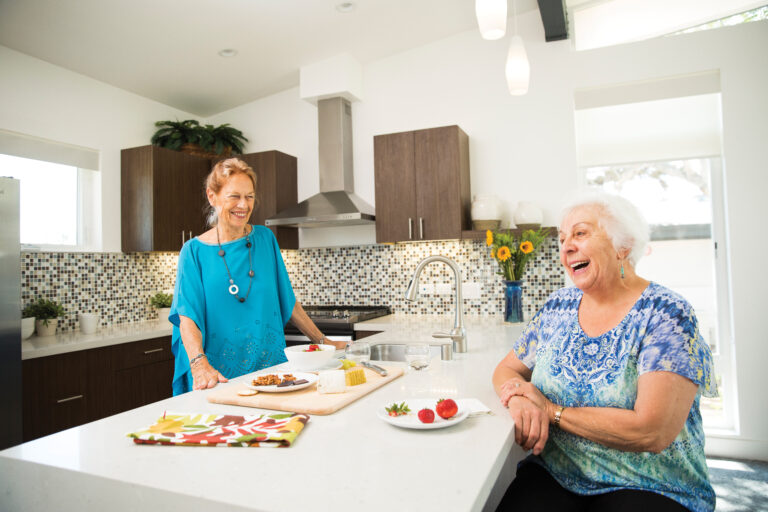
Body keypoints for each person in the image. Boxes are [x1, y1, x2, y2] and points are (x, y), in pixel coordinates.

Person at [492, 190, 717, 512]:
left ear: (623, 246)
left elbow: (652, 431)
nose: (566, 246)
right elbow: (507, 369)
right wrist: (517, 397)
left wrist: (551, 410)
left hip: (649, 484)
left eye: (581, 233)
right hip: (556, 473)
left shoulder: (666, 313)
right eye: (562, 238)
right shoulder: (559, 305)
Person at [169, 158, 346, 394]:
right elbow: (187, 316)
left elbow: (288, 301)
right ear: (212, 196)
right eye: (234, 196)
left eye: (249, 196)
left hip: (270, 370)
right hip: (217, 376)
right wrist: (200, 364)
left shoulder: (265, 239)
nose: (243, 205)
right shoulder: (193, 251)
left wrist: (322, 341)